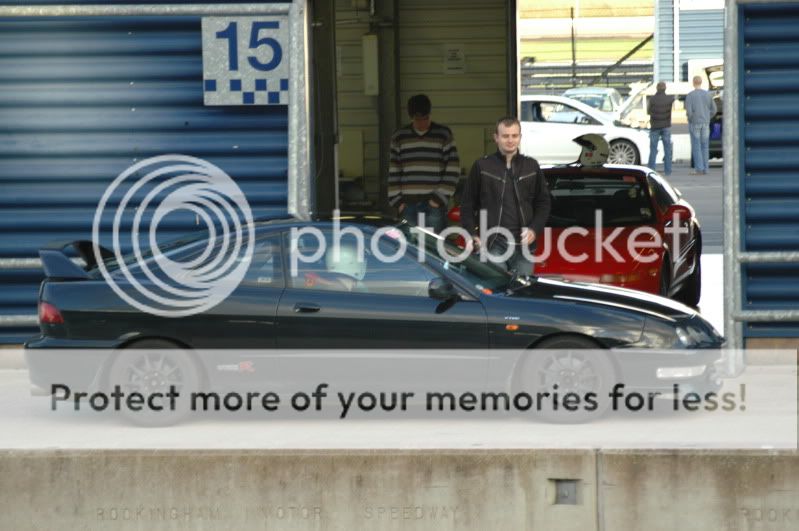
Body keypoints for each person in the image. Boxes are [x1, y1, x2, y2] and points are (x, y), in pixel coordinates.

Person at [459, 117, 551, 276]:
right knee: (497, 295)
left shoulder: (531, 166)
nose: (510, 140)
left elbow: (543, 203)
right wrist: (472, 234)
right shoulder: (482, 166)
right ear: (496, 138)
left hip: (525, 247)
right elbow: (467, 204)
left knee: (522, 294)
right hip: (493, 244)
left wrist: (534, 229)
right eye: (505, 136)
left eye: (515, 136)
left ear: (520, 137)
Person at [388, 94, 460, 233]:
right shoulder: (399, 136)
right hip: (407, 203)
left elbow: (453, 168)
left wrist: (439, 199)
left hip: (434, 203)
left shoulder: (443, 134)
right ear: (411, 117)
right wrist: (397, 202)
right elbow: (394, 170)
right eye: (418, 120)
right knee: (409, 247)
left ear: (430, 114)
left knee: (435, 247)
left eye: (425, 118)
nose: (422, 123)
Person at [685, 75, 718, 175]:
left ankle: (699, 169)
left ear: (693, 83)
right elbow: (714, 110)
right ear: (701, 82)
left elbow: (689, 112)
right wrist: (708, 117)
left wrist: (691, 119)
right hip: (705, 123)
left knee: (696, 146)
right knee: (705, 146)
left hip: (695, 123)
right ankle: (706, 169)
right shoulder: (708, 95)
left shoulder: (690, 95)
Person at [646, 82, 675, 176]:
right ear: (665, 88)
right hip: (666, 125)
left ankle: (651, 170)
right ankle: (668, 170)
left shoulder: (652, 99)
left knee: (653, 149)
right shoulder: (670, 99)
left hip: (654, 126)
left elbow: (648, 111)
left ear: (657, 88)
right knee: (667, 149)